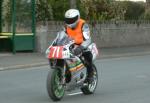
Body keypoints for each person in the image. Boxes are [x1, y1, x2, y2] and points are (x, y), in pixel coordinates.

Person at [64, 9, 93, 79]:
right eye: (68, 20)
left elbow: (88, 39)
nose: (70, 22)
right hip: (70, 45)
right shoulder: (66, 26)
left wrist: (81, 47)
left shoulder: (83, 24)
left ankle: (90, 75)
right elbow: (62, 36)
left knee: (87, 56)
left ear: (78, 17)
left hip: (82, 45)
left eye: (72, 19)